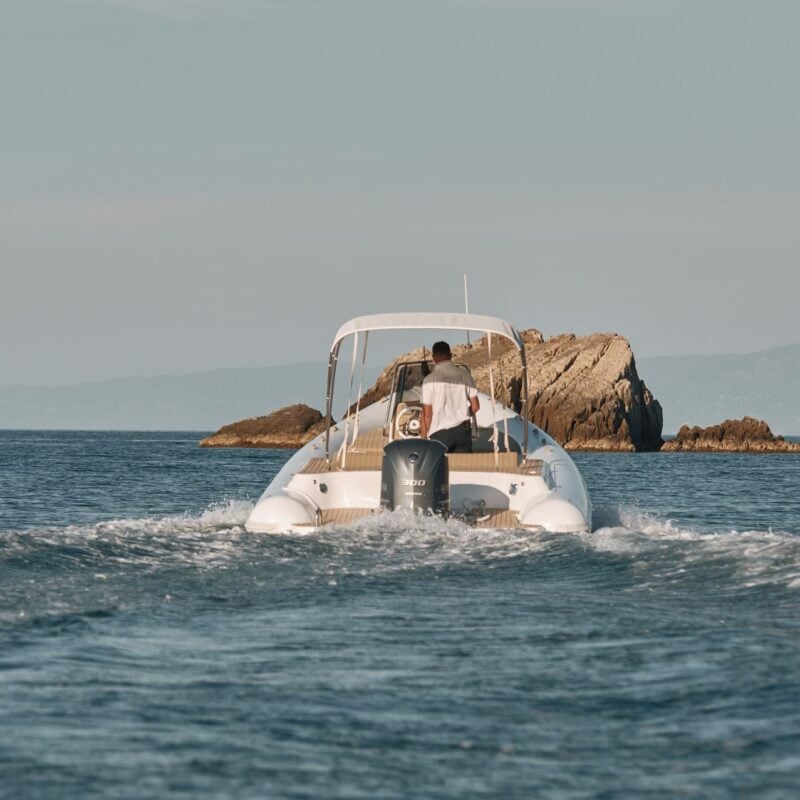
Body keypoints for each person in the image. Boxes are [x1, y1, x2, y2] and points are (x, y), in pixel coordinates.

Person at [420, 341, 480, 453]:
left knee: (441, 463)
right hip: (463, 431)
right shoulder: (464, 374)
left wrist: (423, 438)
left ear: (433, 358)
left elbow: (427, 414)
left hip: (439, 433)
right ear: (451, 355)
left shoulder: (429, 380)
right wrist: (462, 414)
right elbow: (475, 406)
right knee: (463, 464)